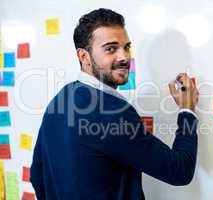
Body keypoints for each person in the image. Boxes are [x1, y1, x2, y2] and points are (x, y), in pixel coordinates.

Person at [30, 8, 199, 200]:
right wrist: (187, 109)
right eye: (111, 48)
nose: (124, 57)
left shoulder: (59, 99)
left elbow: (37, 176)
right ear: (84, 57)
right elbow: (179, 171)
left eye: (126, 47)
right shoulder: (113, 112)